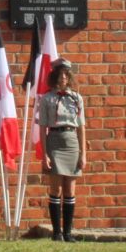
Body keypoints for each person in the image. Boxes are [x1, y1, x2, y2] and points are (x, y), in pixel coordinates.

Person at [37, 59, 86, 242]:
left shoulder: (77, 98)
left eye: (66, 75)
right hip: (55, 141)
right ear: (54, 76)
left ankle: (68, 232)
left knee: (70, 190)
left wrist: (83, 153)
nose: (63, 78)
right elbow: (42, 127)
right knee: (56, 188)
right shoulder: (47, 99)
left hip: (72, 141)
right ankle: (57, 232)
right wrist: (44, 154)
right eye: (60, 75)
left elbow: (81, 127)